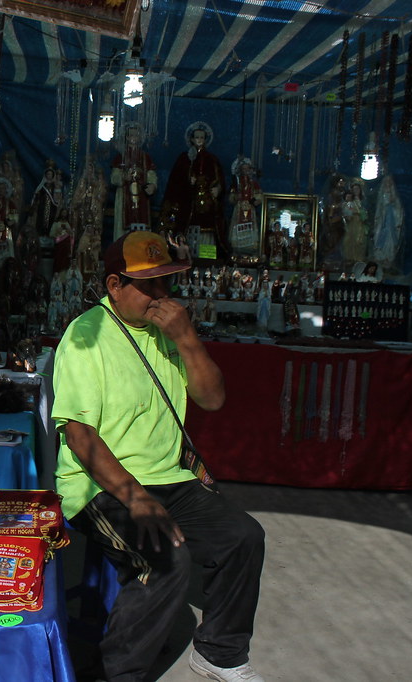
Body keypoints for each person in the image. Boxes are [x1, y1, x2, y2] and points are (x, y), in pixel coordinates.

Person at [51, 230, 265, 682]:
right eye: (149, 285)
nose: (161, 295)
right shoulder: (86, 336)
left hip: (170, 477)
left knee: (244, 536)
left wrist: (188, 339)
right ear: (115, 285)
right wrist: (136, 498)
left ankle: (220, 652)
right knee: (165, 561)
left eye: (167, 282)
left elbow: (212, 399)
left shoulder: (168, 331)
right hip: (99, 484)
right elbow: (80, 434)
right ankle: (116, 674)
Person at [160, 122, 227, 260]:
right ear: (191, 139)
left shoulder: (212, 160)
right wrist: (188, 180)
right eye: (197, 137)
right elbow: (175, 181)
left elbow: (219, 180)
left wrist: (218, 189)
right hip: (187, 202)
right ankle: (185, 255)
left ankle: (206, 256)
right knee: (185, 226)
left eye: (202, 137)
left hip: (206, 204)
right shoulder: (184, 158)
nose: (199, 140)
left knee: (206, 229)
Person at [110, 122, 157, 241]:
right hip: (124, 196)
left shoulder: (145, 157)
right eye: (131, 135)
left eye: (136, 135)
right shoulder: (121, 157)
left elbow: (151, 175)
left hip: (142, 195)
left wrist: (152, 185)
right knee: (123, 224)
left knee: (142, 221)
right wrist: (123, 177)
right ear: (126, 137)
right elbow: (114, 177)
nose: (133, 138)